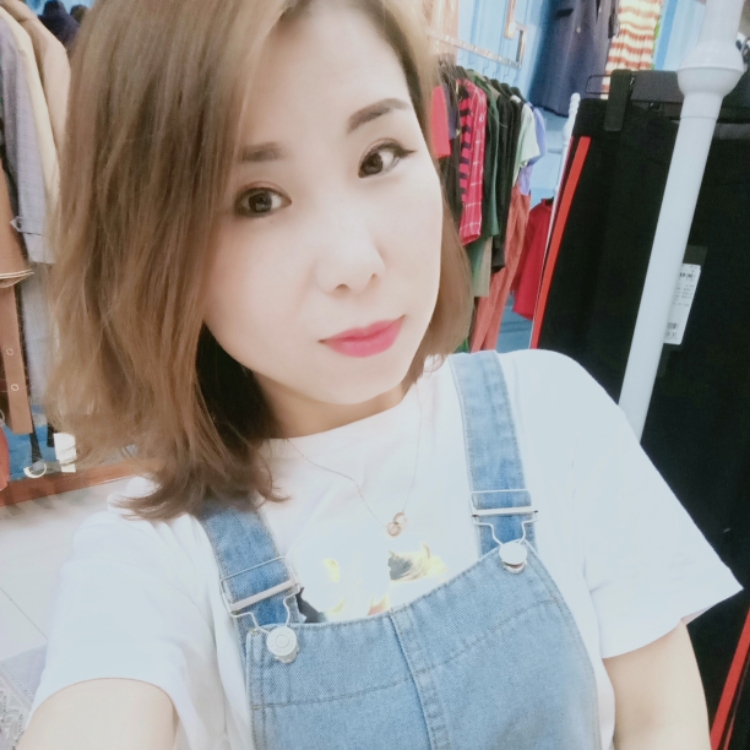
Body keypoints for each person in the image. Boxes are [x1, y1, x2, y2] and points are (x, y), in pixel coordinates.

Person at [19, 0, 742, 748]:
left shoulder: (553, 414)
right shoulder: (151, 559)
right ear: (152, 245)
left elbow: (661, 720)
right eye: (258, 200)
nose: (355, 261)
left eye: (378, 157)